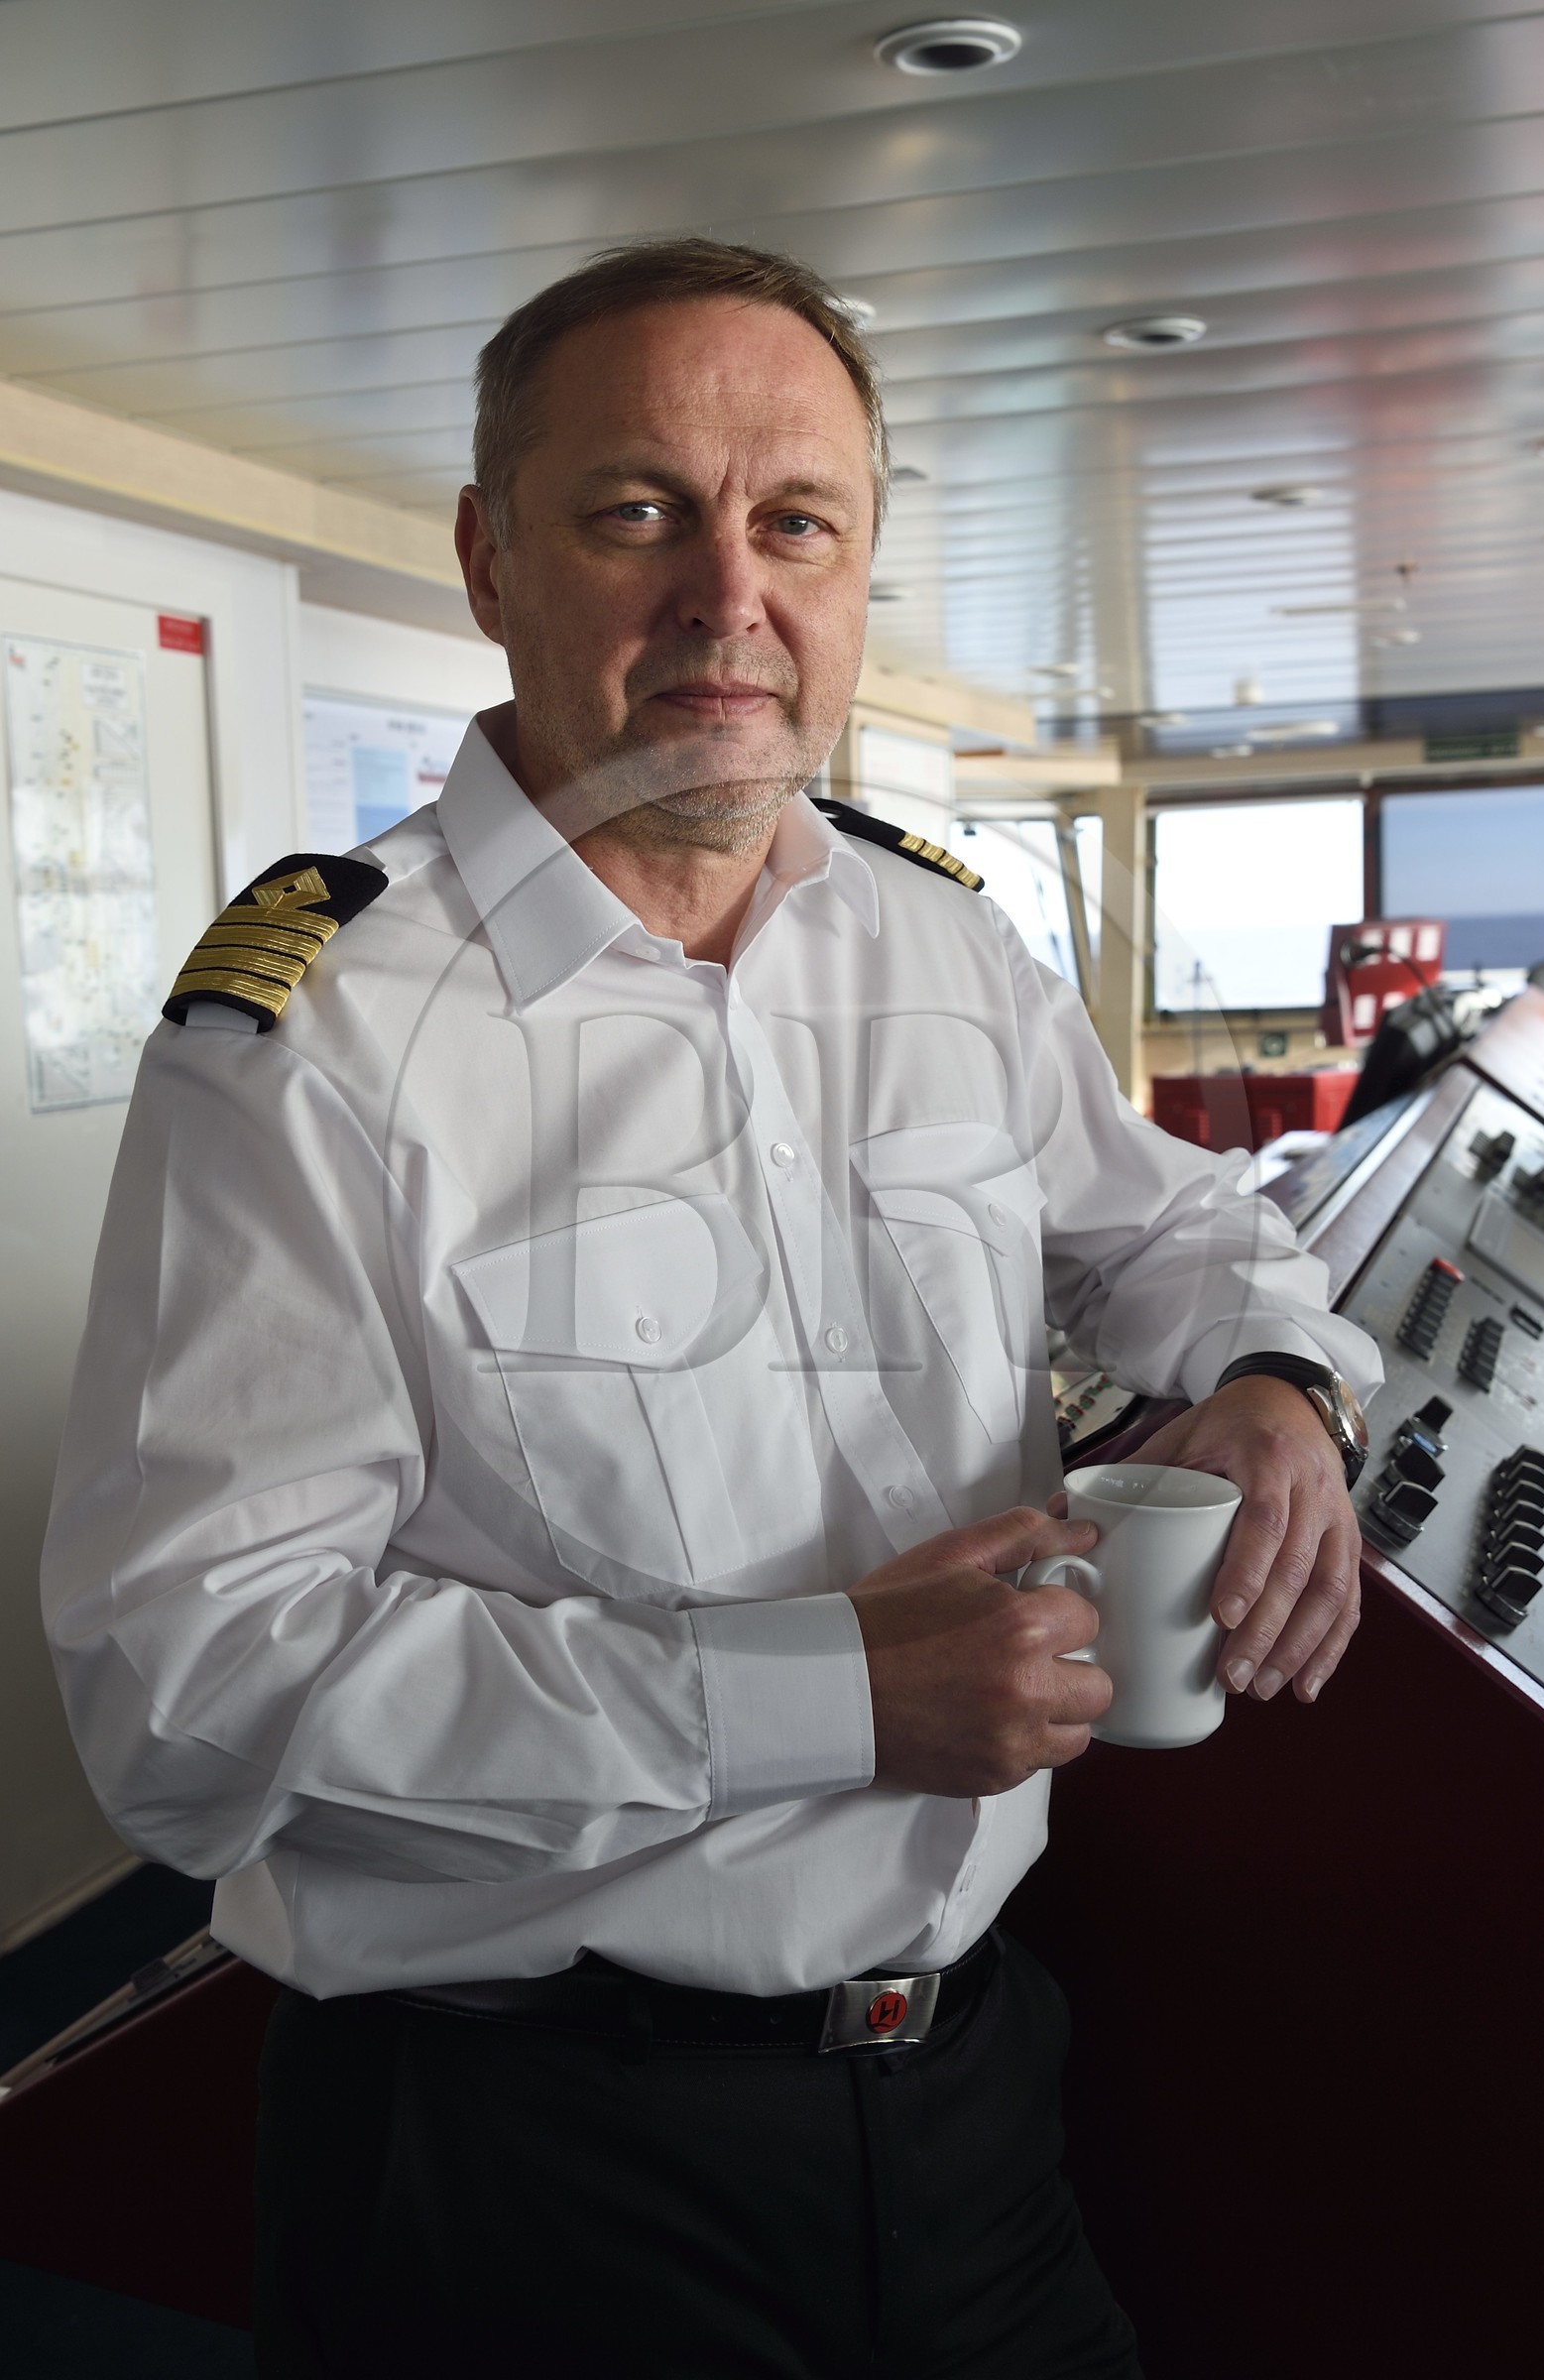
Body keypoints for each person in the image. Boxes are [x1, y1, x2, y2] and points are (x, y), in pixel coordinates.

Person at [42, 239, 1380, 2378]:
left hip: (969, 2102)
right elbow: (189, 1699)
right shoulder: (314, 1032)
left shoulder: (941, 948)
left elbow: (1188, 1235)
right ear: (490, 557)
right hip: (527, 2183)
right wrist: (825, 1694)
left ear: (856, 574)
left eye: (793, 523)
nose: (724, 596)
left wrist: (1273, 1379)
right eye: (636, 509)